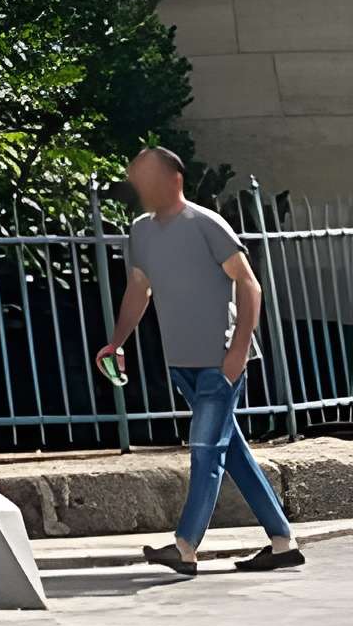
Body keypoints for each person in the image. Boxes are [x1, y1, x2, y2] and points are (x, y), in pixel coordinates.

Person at [95, 146, 304, 577]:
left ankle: (185, 546)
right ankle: (283, 543)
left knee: (205, 449)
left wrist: (238, 351)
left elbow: (249, 286)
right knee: (232, 452)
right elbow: (139, 290)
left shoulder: (207, 224)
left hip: (219, 361)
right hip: (182, 363)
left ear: (175, 179)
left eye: (148, 177)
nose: (141, 187)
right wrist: (116, 341)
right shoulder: (140, 232)